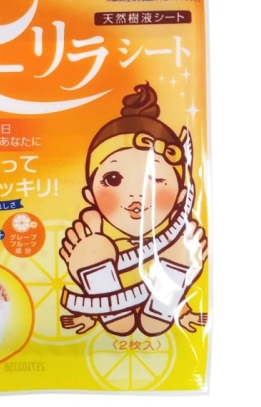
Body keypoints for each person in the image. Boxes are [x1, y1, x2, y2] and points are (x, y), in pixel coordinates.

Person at [59, 82, 208, 336]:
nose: (136, 195)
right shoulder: (97, 232)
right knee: (94, 246)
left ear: (182, 197)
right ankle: (112, 310)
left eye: (156, 180)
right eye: (113, 179)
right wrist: (89, 310)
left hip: (161, 281)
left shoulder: (173, 236)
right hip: (107, 289)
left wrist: (184, 312)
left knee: (180, 246)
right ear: (89, 195)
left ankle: (160, 308)